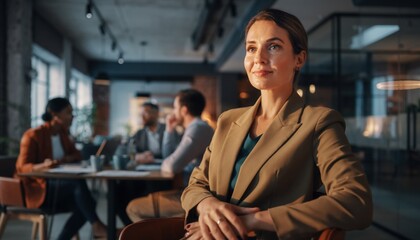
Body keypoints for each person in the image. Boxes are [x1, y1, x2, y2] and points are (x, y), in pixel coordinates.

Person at [180, 9, 373, 240]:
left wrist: (251, 220)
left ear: (299, 59)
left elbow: (356, 201)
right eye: (251, 48)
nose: (259, 58)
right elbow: (196, 183)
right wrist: (208, 206)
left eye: (273, 46)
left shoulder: (318, 122)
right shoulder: (227, 120)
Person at [15, 97, 107, 240]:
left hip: (58, 187)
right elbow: (22, 168)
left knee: (87, 204)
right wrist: (44, 165)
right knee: (79, 187)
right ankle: (97, 226)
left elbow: (76, 154)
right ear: (54, 114)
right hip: (37, 189)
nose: (72, 116)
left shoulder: (63, 134)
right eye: (68, 112)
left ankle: (78, 233)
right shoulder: (32, 135)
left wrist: (65, 159)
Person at [126, 89, 214, 222]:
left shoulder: (198, 129)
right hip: (188, 190)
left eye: (175, 108)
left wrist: (167, 162)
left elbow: (171, 165)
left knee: (133, 208)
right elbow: (168, 156)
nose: (173, 112)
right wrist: (169, 129)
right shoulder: (195, 128)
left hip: (196, 195)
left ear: (184, 110)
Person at [114, 102, 169, 225]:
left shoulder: (168, 130)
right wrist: (138, 156)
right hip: (142, 174)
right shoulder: (140, 133)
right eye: (141, 113)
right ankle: (131, 228)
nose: (142, 116)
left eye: (146, 112)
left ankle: (146, 227)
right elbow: (120, 150)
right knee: (116, 192)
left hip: (162, 176)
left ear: (156, 114)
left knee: (147, 192)